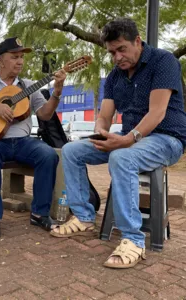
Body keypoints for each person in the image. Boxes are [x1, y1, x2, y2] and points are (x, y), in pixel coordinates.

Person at [51, 18, 186, 269]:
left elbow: (157, 114)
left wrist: (127, 140)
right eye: (112, 52)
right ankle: (83, 216)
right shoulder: (115, 76)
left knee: (121, 157)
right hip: (129, 139)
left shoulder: (164, 62)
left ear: (137, 41)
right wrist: (101, 132)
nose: (116, 57)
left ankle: (133, 239)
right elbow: (104, 116)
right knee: (71, 151)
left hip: (166, 138)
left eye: (121, 49)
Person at [0, 37, 66, 239]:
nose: (20, 61)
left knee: (48, 155)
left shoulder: (29, 86)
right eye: (14, 57)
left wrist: (57, 93)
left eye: (21, 57)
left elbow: (45, 115)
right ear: (1, 60)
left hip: (23, 142)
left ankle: (39, 213)